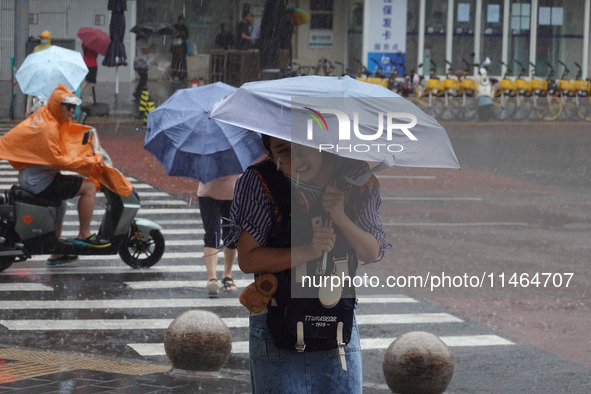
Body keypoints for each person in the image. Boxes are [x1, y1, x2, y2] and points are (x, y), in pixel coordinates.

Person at [227, 135, 387, 392]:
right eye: (284, 150)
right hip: (277, 318)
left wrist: (340, 217)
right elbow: (248, 259)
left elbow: (370, 251)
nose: (298, 158)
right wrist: (309, 250)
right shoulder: (260, 181)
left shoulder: (354, 176)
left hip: (336, 320)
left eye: (304, 147)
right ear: (269, 153)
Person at [0, 84, 111, 266]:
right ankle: (84, 233)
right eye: (67, 106)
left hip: (33, 177)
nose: (71, 110)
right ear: (57, 105)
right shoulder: (49, 127)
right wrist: (87, 164)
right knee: (89, 187)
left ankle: (56, 252)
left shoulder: (44, 117)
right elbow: (59, 160)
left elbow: (58, 148)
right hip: (41, 182)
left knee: (61, 202)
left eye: (73, 107)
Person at [198, 175, 239, 297]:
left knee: (231, 236)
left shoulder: (237, 156)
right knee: (212, 235)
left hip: (233, 194)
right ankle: (212, 278)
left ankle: (227, 274)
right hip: (207, 194)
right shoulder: (206, 155)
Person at [133, 34, 155, 101]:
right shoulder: (142, 41)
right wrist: (152, 47)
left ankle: (138, 93)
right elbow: (144, 51)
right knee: (144, 79)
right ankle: (141, 94)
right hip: (141, 63)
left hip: (139, 63)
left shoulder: (139, 41)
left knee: (143, 79)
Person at [170, 14, 189, 81]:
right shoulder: (174, 27)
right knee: (175, 61)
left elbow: (186, 37)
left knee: (182, 61)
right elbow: (171, 36)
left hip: (182, 46)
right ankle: (174, 74)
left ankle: (183, 75)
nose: (181, 22)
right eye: (180, 20)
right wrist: (176, 34)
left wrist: (183, 34)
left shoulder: (185, 27)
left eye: (182, 21)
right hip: (175, 46)